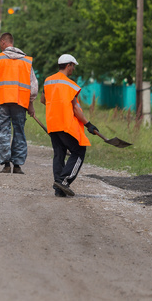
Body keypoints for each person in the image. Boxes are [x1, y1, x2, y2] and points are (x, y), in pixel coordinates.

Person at [41, 54, 98, 197]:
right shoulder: (69, 84)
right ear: (68, 65)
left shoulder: (48, 81)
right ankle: (64, 181)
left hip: (53, 123)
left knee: (59, 154)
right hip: (65, 124)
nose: (73, 69)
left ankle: (59, 188)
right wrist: (88, 124)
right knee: (79, 151)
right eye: (73, 66)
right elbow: (76, 109)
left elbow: (43, 100)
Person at [0, 32, 38, 174]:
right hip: (20, 102)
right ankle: (18, 166)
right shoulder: (26, 61)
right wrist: (30, 103)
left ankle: (6, 164)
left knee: (3, 132)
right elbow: (33, 87)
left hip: (1, 101)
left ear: (3, 42)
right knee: (19, 131)